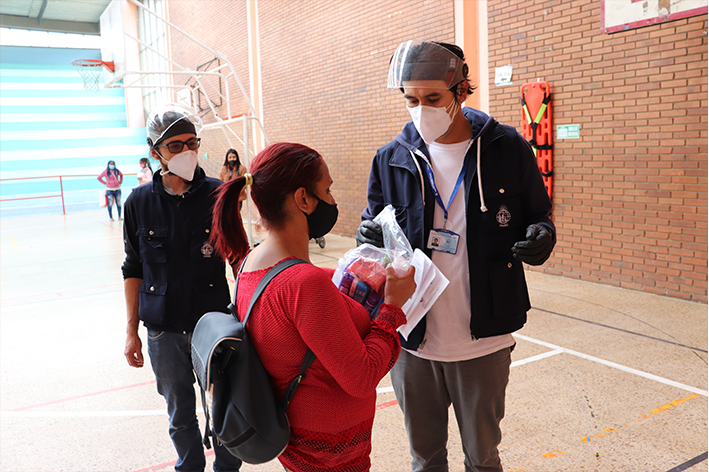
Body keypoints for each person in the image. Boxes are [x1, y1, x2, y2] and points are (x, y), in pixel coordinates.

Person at [356, 40, 556, 472]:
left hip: (483, 337)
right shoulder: (390, 158)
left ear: (462, 90)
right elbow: (373, 225)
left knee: (482, 458)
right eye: (411, 99)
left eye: (432, 98)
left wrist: (542, 235)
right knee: (425, 459)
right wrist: (366, 234)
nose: (420, 109)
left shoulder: (507, 148)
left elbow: (539, 213)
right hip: (412, 336)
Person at [209, 142, 417, 472]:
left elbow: (292, 299)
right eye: (328, 189)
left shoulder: (252, 262)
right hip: (332, 455)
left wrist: (349, 273)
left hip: (298, 444)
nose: (332, 200)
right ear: (304, 199)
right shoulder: (305, 283)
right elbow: (361, 378)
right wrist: (393, 307)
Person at [121, 103, 243, 472]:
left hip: (215, 325)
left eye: (191, 143)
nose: (186, 152)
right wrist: (131, 331)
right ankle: (188, 467)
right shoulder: (138, 202)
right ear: (155, 152)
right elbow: (133, 267)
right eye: (175, 146)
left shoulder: (218, 194)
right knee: (180, 413)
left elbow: (239, 258)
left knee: (225, 409)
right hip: (164, 329)